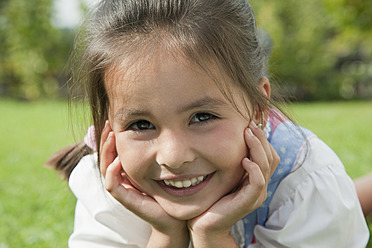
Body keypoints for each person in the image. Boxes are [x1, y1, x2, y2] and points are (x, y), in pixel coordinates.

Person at [46, 0, 369, 247]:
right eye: (141, 124)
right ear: (108, 127)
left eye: (202, 117)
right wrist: (165, 235)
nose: (173, 156)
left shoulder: (305, 179)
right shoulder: (107, 182)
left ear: (258, 107)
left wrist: (211, 236)